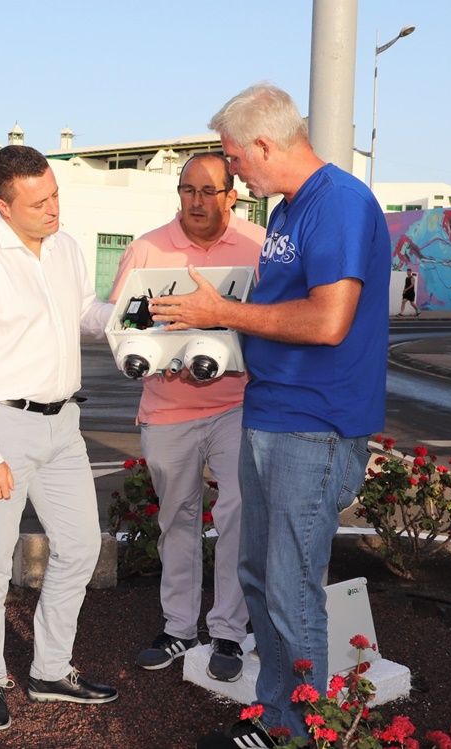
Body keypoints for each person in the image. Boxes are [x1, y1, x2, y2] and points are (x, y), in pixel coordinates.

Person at [150, 83, 388, 747]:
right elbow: (279, 315)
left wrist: (221, 314)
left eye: (233, 158)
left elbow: (328, 318)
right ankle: (278, 718)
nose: (231, 173)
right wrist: (209, 336)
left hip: (314, 426)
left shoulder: (338, 203)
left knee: (290, 590)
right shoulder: (288, 210)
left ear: (263, 143)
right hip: (272, 414)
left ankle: (303, 733)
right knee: (259, 578)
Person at [0, 145, 118, 732]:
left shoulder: (64, 247)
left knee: (81, 547)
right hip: (2, 426)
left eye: (56, 194)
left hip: (65, 425)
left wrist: (130, 316)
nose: (53, 209)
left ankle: (49, 669)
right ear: (3, 206)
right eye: (38, 202)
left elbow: (83, 310)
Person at [108, 152, 264, 682]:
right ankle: (179, 628)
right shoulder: (147, 248)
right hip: (168, 409)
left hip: (237, 405)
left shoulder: (258, 247)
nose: (196, 202)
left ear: (231, 195)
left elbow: (274, 321)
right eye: (187, 190)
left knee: (237, 515)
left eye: (208, 191)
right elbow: (121, 325)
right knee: (175, 517)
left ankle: (227, 630)